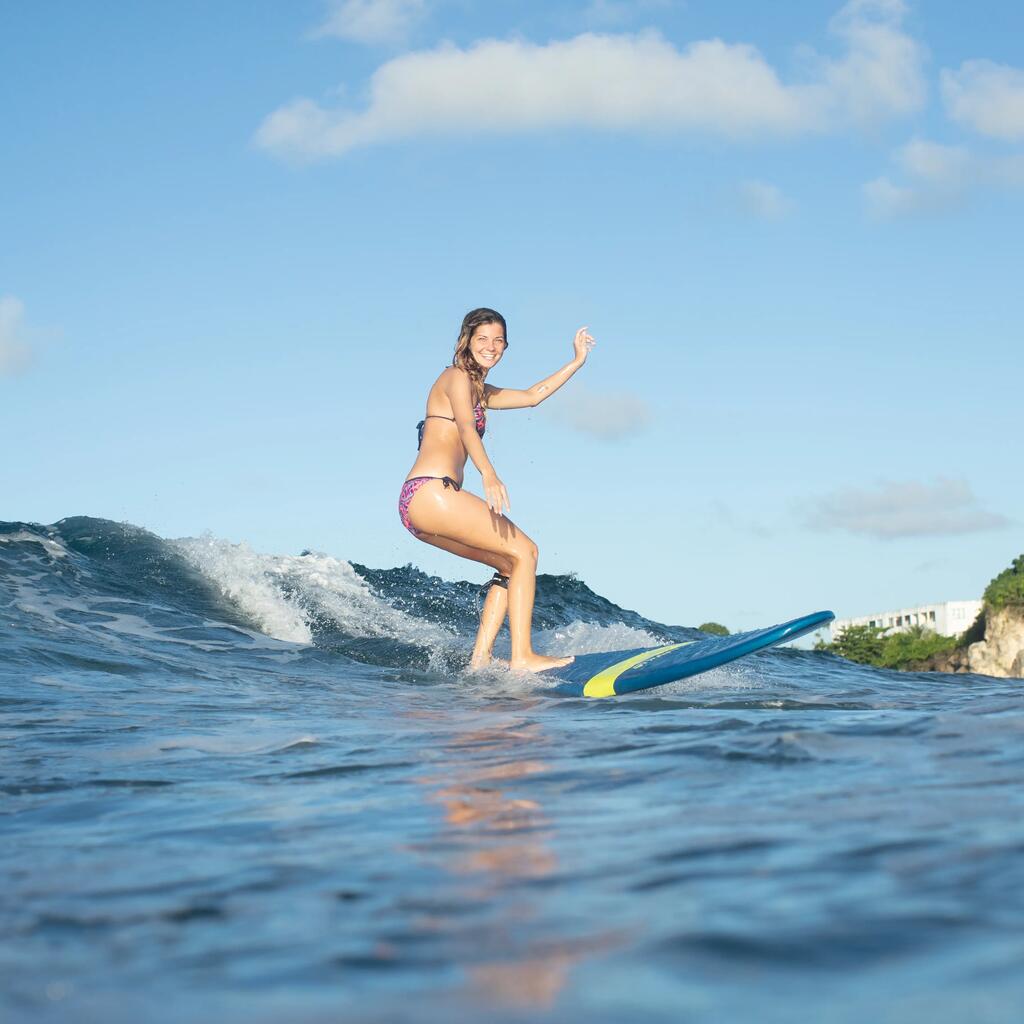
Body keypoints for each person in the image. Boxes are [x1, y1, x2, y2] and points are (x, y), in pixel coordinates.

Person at [399, 307, 595, 672]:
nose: (491, 346)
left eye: (499, 340)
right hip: (431, 492)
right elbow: (466, 428)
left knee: (510, 563)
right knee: (527, 551)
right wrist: (488, 473)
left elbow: (533, 395)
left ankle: (480, 659)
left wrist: (577, 362)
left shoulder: (479, 390)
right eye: (483, 338)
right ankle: (523, 656)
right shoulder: (455, 376)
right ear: (467, 341)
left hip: (420, 503)